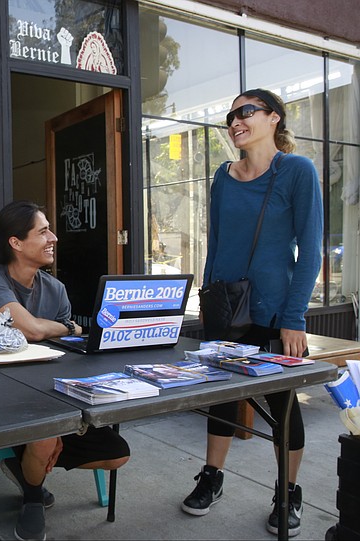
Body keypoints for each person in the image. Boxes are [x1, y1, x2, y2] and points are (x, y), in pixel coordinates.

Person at [181, 89, 323, 537]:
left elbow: (311, 251)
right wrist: (209, 310)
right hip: (227, 310)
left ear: (274, 118)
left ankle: (288, 491)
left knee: (283, 407)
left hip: (276, 312)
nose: (236, 121)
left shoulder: (297, 171)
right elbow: (216, 245)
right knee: (221, 396)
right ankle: (212, 477)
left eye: (246, 112)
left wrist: (295, 318)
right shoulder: (222, 177)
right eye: (230, 116)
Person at [0, 200, 130, 541]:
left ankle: (25, 465)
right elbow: (32, 330)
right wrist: (69, 328)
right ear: (15, 242)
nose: (53, 237)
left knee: (118, 454)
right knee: (45, 433)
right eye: (43, 232)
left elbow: (60, 352)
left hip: (47, 392)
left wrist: (63, 333)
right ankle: (32, 497)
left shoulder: (54, 289)